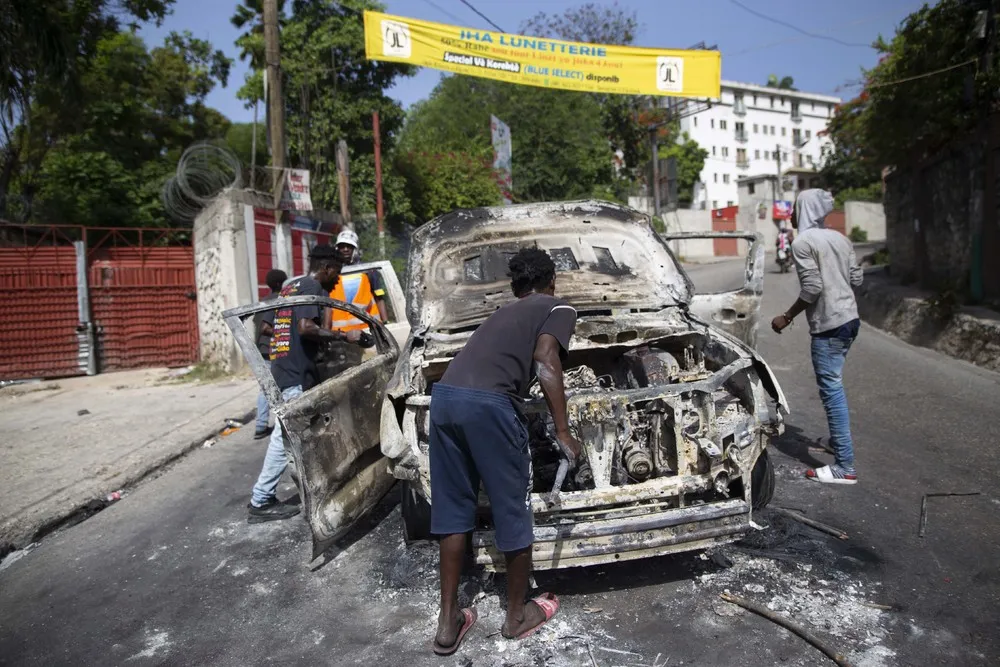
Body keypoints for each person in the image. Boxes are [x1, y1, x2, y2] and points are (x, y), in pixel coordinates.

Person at [427, 247, 582, 655]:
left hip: (444, 401)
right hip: (489, 407)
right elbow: (546, 358)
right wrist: (563, 430)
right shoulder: (557, 305)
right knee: (511, 506)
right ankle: (515, 617)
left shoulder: (500, 314)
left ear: (515, 288)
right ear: (552, 281)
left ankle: (448, 623)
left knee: (453, 510)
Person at [247, 244, 348, 523]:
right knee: (286, 437)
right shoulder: (312, 286)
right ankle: (261, 499)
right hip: (294, 374)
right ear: (326, 268)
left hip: (281, 367)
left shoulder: (291, 287)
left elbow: (281, 327)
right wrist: (342, 337)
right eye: (336, 272)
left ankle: (306, 488)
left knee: (292, 435)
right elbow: (305, 328)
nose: (337, 278)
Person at [771, 189, 864, 484]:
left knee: (832, 391)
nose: (792, 215)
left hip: (829, 326)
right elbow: (857, 278)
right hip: (850, 320)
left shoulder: (802, 242)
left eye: (796, 208)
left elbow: (812, 289)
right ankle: (838, 443)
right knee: (834, 385)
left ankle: (844, 467)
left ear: (805, 209)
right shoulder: (841, 239)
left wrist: (786, 317)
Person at [327, 229, 388, 333]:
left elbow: (379, 298)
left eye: (349, 246)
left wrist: (386, 323)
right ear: (337, 248)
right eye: (342, 246)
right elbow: (327, 305)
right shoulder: (331, 273)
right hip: (340, 334)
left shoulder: (369, 270)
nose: (345, 249)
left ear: (355, 248)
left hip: (370, 331)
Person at [252, 269, 287, 440]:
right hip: (276, 349)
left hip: (261, 350)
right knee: (284, 387)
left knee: (265, 388)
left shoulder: (261, 302)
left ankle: (260, 425)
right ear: (281, 284)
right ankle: (284, 423)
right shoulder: (281, 301)